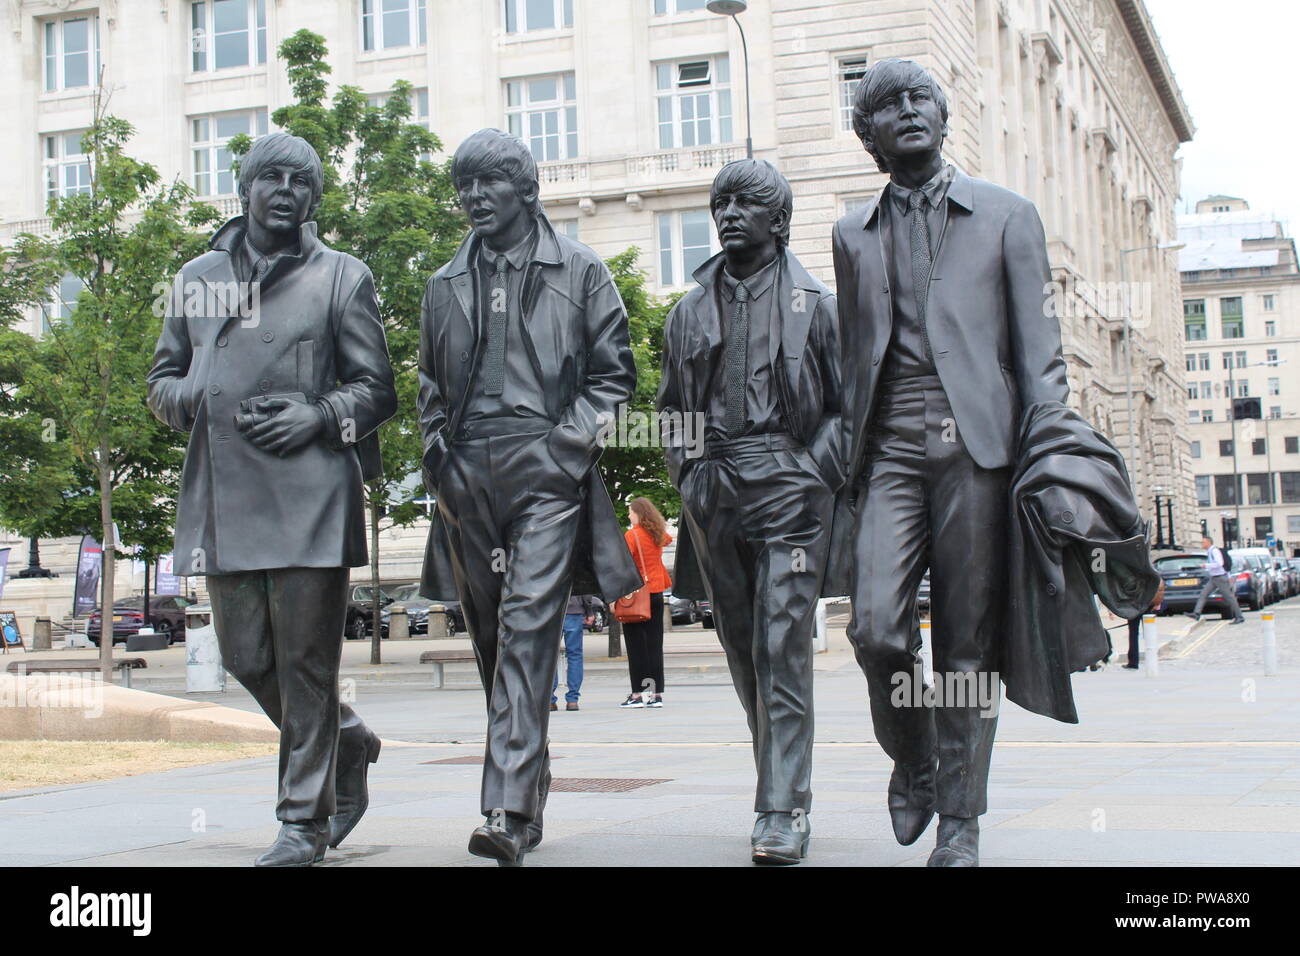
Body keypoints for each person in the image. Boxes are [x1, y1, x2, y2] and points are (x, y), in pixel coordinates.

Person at [835, 60, 1156, 867]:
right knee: (876, 629)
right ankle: (914, 758)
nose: (907, 113)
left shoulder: (1008, 217)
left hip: (980, 449)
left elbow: (1041, 357)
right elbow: (853, 357)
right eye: (887, 106)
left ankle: (962, 821)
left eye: (920, 100)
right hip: (890, 449)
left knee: (968, 645)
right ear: (868, 134)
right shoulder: (850, 233)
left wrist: (1045, 449)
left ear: (943, 117)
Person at [147, 132, 397, 866]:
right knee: (247, 654)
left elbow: (376, 389)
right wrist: (186, 394)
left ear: (313, 199)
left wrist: (321, 414)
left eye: (300, 180)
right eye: (271, 177)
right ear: (245, 188)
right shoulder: (197, 276)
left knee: (306, 665)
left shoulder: (341, 276)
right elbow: (162, 380)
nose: (285, 190)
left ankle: (302, 822)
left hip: (312, 492)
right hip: (226, 493)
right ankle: (347, 743)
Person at [417, 129, 641, 866]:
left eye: (490, 183)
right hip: (466, 476)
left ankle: (506, 809)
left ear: (527, 189)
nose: (475, 197)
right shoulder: (444, 283)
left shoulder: (580, 270)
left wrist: (565, 448)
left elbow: (613, 378)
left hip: (546, 467)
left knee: (526, 630)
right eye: (465, 186)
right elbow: (426, 387)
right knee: (490, 642)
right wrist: (437, 461)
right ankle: (527, 779)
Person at [660, 159, 843, 864]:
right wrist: (692, 477)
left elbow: (845, 409)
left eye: (747, 203)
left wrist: (810, 475)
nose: (730, 213)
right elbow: (673, 410)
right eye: (722, 202)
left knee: (781, 645)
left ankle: (781, 807)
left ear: (781, 221)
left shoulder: (816, 306)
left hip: (788, 487)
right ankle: (780, 783)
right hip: (717, 490)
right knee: (742, 651)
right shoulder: (688, 311)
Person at [618, 498, 673, 710]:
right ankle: (656, 694)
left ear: (639, 514)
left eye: (631, 513)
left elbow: (625, 563)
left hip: (638, 596)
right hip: (657, 593)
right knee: (654, 645)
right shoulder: (657, 534)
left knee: (636, 646)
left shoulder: (632, 535)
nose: (629, 516)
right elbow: (666, 539)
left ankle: (638, 694)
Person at [1186, 535, 1245, 624]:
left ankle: (1239, 616)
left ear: (1209, 542)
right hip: (1214, 578)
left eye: (1203, 542)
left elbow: (1219, 563)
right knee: (1203, 594)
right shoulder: (1210, 552)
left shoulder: (1215, 551)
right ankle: (1196, 613)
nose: (1202, 544)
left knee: (1229, 597)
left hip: (1220, 578)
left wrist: (1206, 565)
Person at [552, 593, 595, 711]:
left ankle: (549, 699)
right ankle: (572, 700)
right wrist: (589, 610)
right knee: (574, 655)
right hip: (574, 609)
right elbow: (584, 587)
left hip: (551, 609)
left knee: (549, 656)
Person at [1125, 579, 1167, 668]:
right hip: (1149, 605)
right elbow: (1159, 588)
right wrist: (1157, 603)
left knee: (1133, 634)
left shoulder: (1131, 573)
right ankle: (1152, 659)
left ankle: (1133, 662)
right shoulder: (1150, 571)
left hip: (1134, 606)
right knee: (1149, 634)